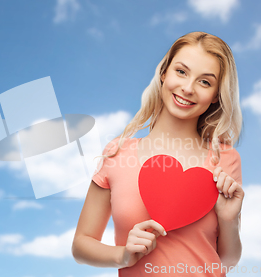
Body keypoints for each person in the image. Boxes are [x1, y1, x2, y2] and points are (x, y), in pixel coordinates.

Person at [71, 31, 244, 277]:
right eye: (181, 72)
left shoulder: (224, 159)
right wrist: (123, 255)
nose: (187, 88)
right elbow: (81, 245)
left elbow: (226, 261)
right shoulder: (118, 152)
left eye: (204, 81)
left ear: (216, 95)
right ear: (164, 73)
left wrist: (229, 220)